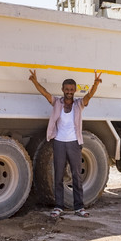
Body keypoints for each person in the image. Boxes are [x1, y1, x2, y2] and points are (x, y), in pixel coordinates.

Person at [29, 69, 102, 218]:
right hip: (59, 143)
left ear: (75, 90)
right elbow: (45, 93)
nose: (69, 91)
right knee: (58, 176)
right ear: (63, 90)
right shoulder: (57, 102)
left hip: (74, 143)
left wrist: (95, 84)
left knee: (76, 175)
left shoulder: (79, 104)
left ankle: (79, 207)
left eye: (71, 89)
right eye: (66, 89)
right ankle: (58, 206)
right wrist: (35, 81)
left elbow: (89, 96)